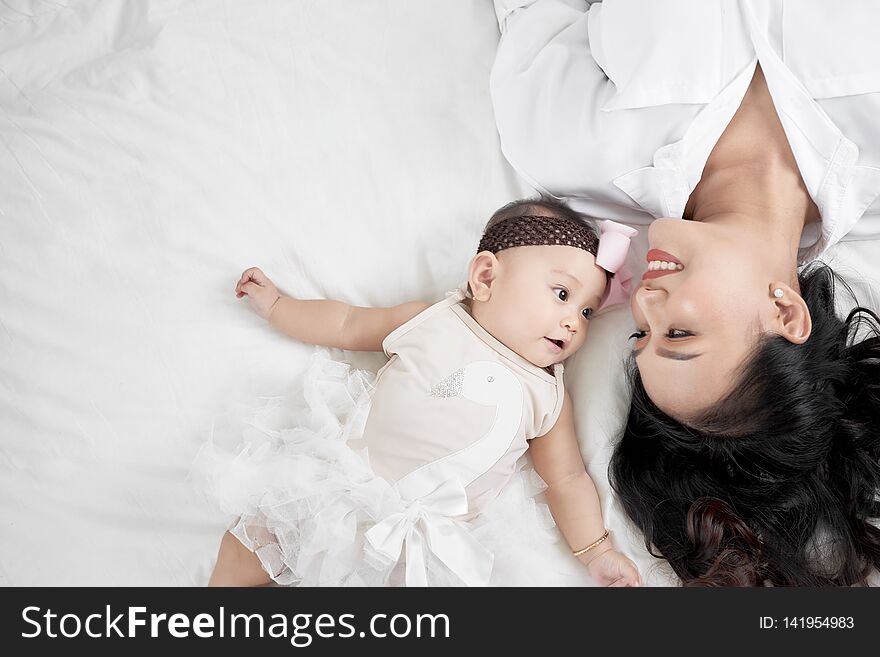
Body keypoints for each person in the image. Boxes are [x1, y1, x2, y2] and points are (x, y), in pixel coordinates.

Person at [490, 0, 880, 585]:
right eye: (679, 333)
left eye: (642, 334)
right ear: (784, 311)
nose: (644, 300)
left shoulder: (572, 152)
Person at [197, 196, 641, 587]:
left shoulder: (546, 395)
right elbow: (347, 323)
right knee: (250, 541)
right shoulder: (434, 320)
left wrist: (597, 551)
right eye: (561, 293)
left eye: (586, 310)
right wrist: (278, 307)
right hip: (341, 487)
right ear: (486, 277)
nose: (574, 322)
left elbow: (566, 479)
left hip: (416, 543)